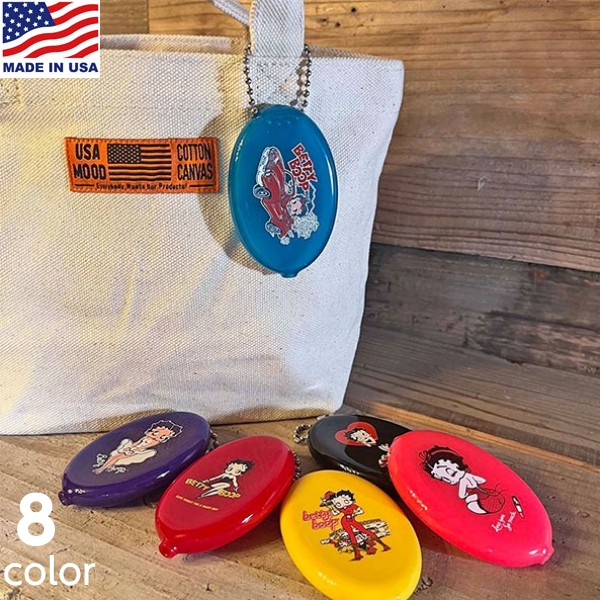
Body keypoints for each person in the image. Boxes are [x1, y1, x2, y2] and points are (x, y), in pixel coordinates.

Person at [420, 446, 505, 515]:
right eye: (444, 478)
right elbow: (482, 480)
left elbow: (461, 495)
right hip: (484, 497)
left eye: (448, 470)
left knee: (471, 502)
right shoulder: (467, 477)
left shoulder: (463, 481)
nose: (449, 479)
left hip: (484, 499)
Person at [93, 420, 183, 474]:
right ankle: (103, 468)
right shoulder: (147, 437)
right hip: (132, 448)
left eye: (163, 437)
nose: (156, 435)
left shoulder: (155, 441)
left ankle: (101, 469)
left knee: (117, 457)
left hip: (138, 451)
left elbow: (146, 446)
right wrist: (130, 447)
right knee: (115, 456)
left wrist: (134, 450)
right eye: (155, 432)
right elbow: (137, 442)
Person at [323, 489, 391, 560]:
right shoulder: (341, 508)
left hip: (352, 520)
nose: (341, 504)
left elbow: (361, 511)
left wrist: (354, 514)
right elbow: (335, 513)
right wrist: (329, 507)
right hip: (345, 521)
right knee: (351, 535)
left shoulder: (353, 506)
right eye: (338, 504)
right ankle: (357, 554)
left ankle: (384, 545)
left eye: (345, 501)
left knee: (365, 530)